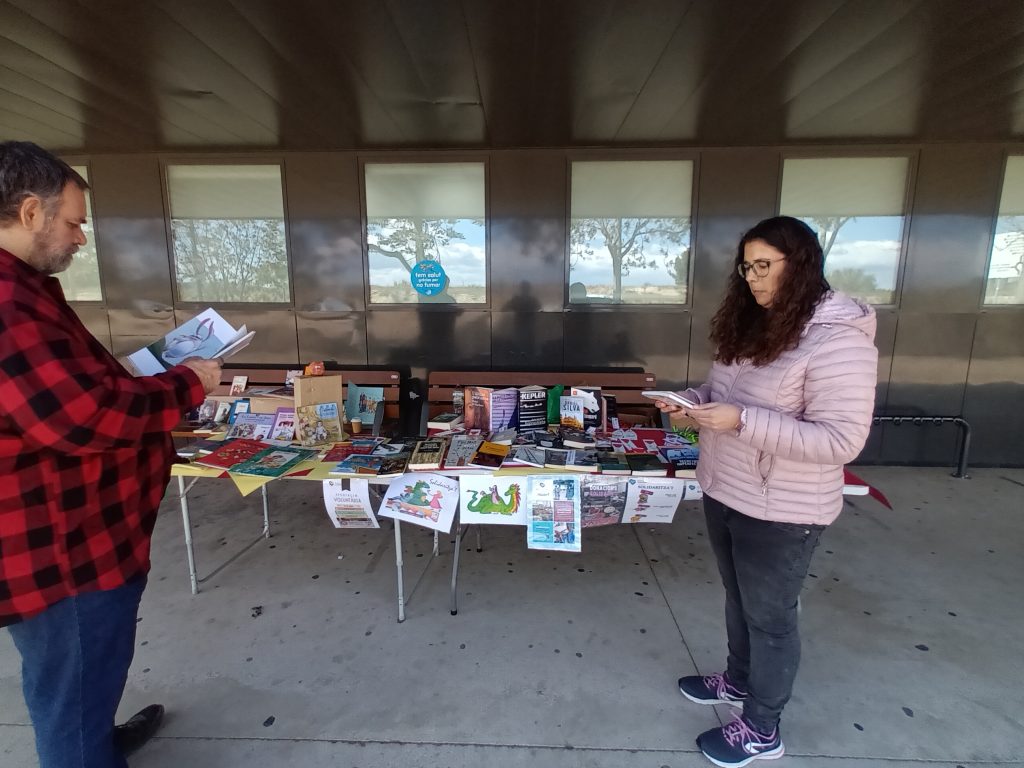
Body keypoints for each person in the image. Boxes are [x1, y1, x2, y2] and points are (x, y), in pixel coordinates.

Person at [0, 141, 222, 768]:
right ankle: (82, 749)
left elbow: (56, 396)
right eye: (72, 221)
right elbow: (84, 418)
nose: (81, 237)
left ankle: (91, 737)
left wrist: (121, 374)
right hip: (63, 552)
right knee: (70, 676)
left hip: (76, 537)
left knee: (73, 677)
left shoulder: (25, 290)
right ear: (29, 213)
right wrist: (190, 383)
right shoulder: (9, 303)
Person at [655, 216, 877, 767]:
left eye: (764, 267)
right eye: (746, 267)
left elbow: (842, 440)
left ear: (799, 265)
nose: (752, 280)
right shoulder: (754, 325)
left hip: (784, 508)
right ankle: (738, 680)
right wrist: (689, 401)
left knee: (771, 619)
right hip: (726, 488)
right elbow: (723, 394)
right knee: (739, 600)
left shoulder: (838, 339)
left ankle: (762, 730)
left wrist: (741, 423)